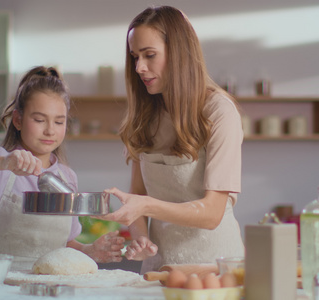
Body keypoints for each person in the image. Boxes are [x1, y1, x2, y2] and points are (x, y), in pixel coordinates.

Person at [0, 66, 124, 269]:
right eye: (39, 120)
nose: (49, 130)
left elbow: (63, 244)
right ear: (18, 120)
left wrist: (89, 250)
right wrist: (2, 163)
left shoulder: (67, 177)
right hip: (0, 287)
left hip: (51, 289)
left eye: (59, 121)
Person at [98, 6, 245, 273]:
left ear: (179, 53)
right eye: (135, 57)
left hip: (213, 268)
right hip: (158, 269)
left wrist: (145, 206)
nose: (139, 67)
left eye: (149, 55)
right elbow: (138, 196)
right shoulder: (144, 115)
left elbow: (212, 213)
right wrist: (141, 236)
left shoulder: (219, 112)